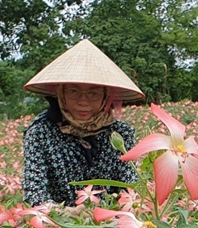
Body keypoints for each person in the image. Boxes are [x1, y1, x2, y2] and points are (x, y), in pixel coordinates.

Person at [21, 39, 146, 207]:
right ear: (61, 94)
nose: (83, 101)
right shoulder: (40, 132)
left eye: (93, 94)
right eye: (74, 91)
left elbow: (130, 187)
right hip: (55, 225)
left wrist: (110, 216)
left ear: (106, 96)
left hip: (112, 223)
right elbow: (34, 192)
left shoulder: (121, 133)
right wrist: (64, 216)